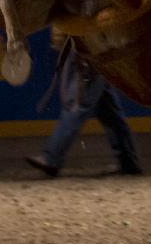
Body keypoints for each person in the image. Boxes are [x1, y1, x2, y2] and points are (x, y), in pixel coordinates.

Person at [26, 49, 143, 178]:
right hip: (98, 54)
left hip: (90, 53)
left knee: (77, 104)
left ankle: (52, 158)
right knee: (110, 113)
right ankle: (129, 163)